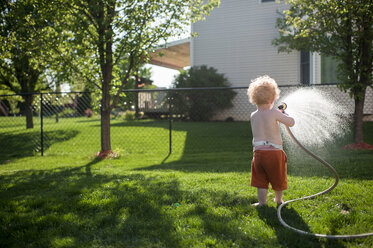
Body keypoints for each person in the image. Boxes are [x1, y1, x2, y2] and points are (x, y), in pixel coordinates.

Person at [247, 75, 295, 206]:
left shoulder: (253, 115)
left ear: (254, 99)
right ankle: (278, 200)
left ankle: (262, 202)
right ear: (273, 98)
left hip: (258, 154)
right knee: (277, 177)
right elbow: (291, 123)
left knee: (260, 179)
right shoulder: (274, 113)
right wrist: (285, 115)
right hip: (274, 153)